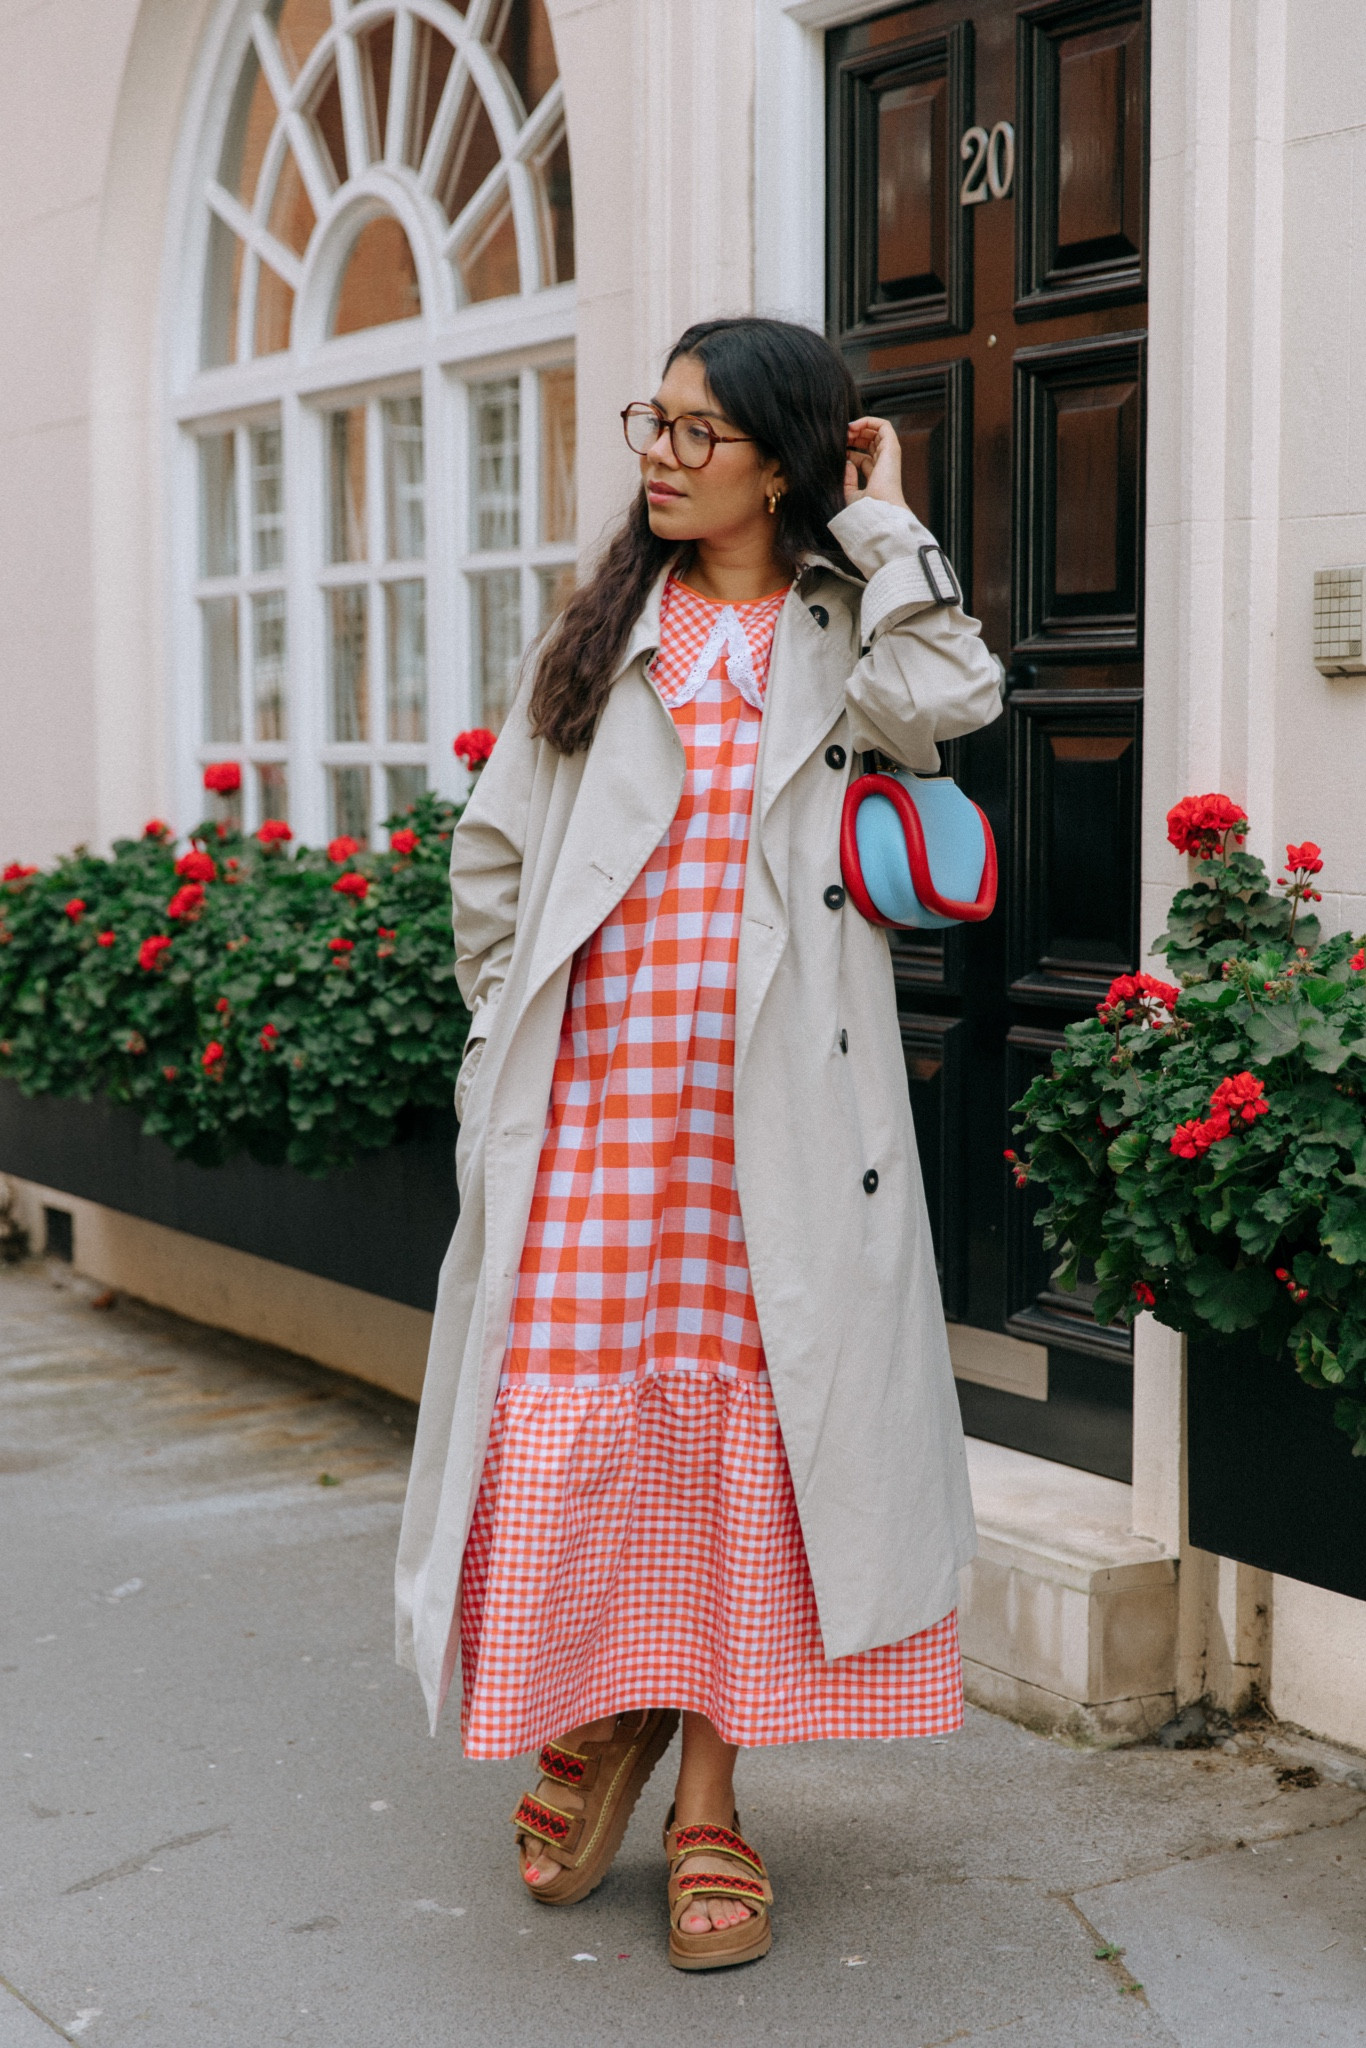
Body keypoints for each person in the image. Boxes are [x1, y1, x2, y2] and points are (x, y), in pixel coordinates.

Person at [396, 316, 1002, 1971]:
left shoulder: (839, 631)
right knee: (584, 1441)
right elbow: (495, 859)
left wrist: (882, 524)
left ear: (784, 461)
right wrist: (487, 1049)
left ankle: (708, 1803)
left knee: (748, 1452)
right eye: (649, 424)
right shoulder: (606, 633)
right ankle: (603, 1713)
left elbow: (958, 691)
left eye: (694, 431)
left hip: (777, 1124)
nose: (657, 455)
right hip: (589, 1122)